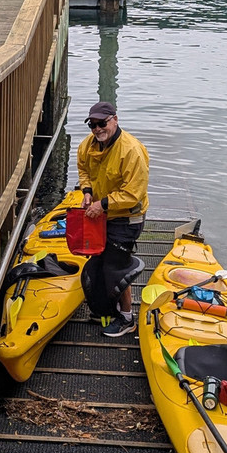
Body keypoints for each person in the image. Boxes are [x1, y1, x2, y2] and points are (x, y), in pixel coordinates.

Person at [76, 100, 149, 337]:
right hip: (102, 214)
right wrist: (87, 192)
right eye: (93, 125)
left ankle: (127, 318)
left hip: (127, 217)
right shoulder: (89, 145)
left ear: (115, 120)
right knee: (97, 263)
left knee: (115, 267)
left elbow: (133, 193)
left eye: (102, 123)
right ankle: (105, 308)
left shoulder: (131, 150)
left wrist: (103, 204)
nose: (98, 129)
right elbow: (83, 168)